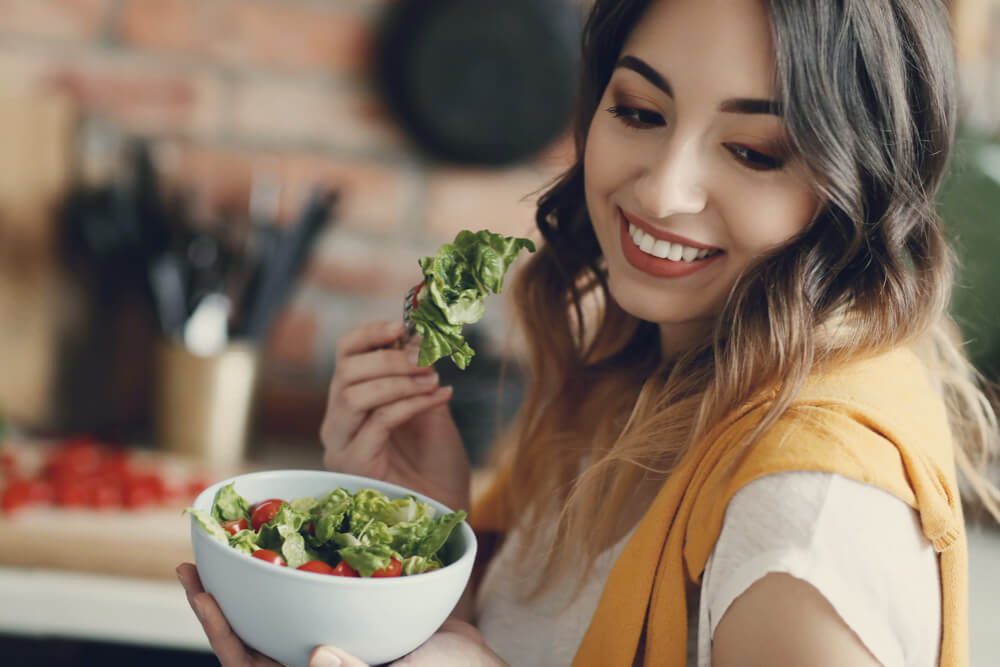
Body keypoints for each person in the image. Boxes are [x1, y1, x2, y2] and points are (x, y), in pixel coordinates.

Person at [177, 0, 1000, 664]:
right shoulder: (633, 377)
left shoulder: (808, 515)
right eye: (639, 110)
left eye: (752, 152)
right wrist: (419, 544)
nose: (664, 190)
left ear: (859, 189)